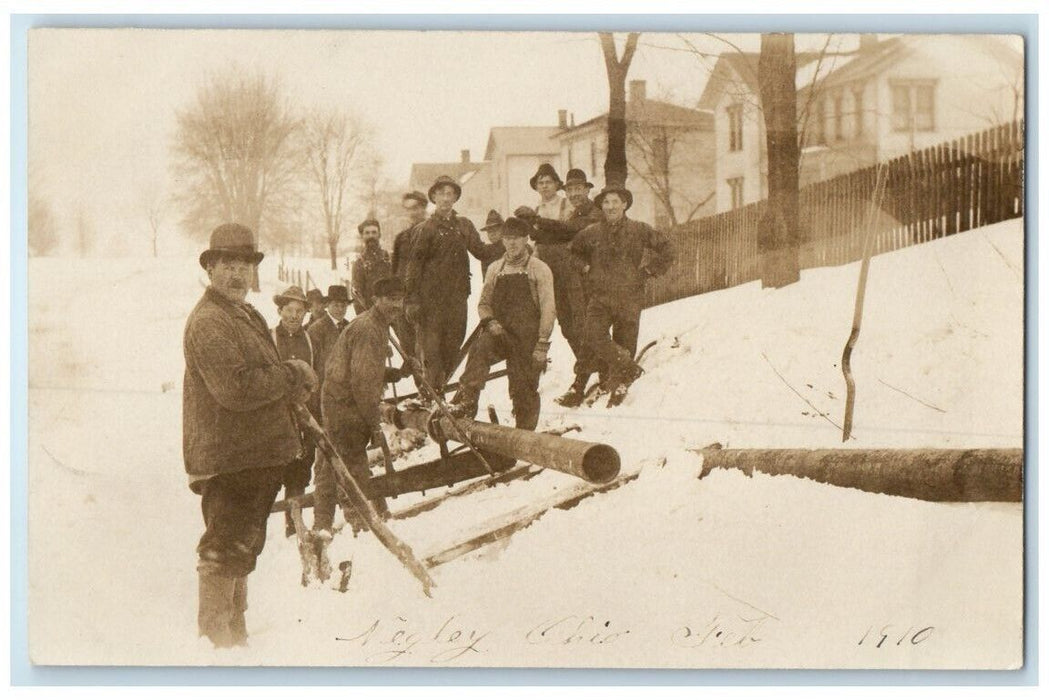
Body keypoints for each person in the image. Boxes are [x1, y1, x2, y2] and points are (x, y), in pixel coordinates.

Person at [183, 223, 317, 648]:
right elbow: (236, 389)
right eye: (229, 265)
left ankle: (233, 636)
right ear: (211, 268)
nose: (239, 274)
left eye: (245, 265)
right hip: (230, 455)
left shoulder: (244, 313)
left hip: (254, 453)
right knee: (224, 548)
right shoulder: (209, 321)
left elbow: (263, 376)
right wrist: (293, 372)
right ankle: (215, 643)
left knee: (242, 546)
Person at [316, 277, 409, 535]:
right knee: (352, 465)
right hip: (345, 407)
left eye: (400, 299)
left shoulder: (376, 325)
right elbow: (363, 385)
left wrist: (396, 374)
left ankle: (322, 526)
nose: (396, 305)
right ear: (375, 301)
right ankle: (361, 526)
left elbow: (365, 370)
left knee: (330, 465)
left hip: (338, 400)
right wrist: (374, 426)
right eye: (390, 299)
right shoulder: (369, 329)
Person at [570, 183, 675, 405]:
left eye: (615, 202)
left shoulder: (639, 230)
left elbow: (668, 249)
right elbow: (574, 254)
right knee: (592, 335)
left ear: (625, 204)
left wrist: (648, 270)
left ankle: (620, 384)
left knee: (625, 339)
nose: (610, 207)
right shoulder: (591, 233)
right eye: (606, 202)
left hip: (629, 295)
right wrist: (585, 267)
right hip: (600, 296)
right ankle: (624, 369)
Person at [451, 217, 555, 430]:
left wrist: (542, 345)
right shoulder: (495, 269)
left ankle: (524, 434)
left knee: (524, 388)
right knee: (480, 348)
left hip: (528, 336)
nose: (512, 243)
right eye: (507, 239)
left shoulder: (539, 268)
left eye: (516, 238)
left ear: (526, 239)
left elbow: (548, 309)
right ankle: (467, 402)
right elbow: (483, 304)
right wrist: (490, 322)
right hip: (501, 333)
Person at [404, 175, 502, 390]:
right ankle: (429, 396)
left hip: (457, 300)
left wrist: (508, 243)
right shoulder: (426, 229)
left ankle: (439, 393)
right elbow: (414, 267)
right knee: (431, 353)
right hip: (431, 303)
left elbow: (481, 251)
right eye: (442, 194)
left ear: (456, 197)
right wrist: (411, 300)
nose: (446, 198)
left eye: (450, 194)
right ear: (434, 197)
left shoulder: (463, 225)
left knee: (452, 348)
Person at [516, 165, 596, 405]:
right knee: (566, 325)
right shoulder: (537, 209)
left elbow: (567, 232)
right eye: (540, 183)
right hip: (549, 271)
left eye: (549, 182)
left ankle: (586, 374)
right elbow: (537, 244)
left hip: (570, 267)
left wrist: (538, 226)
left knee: (580, 319)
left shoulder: (567, 206)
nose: (545, 186)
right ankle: (587, 365)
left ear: (556, 185)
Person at [270, 285, 317, 537]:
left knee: (300, 471)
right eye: (289, 310)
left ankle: (293, 525)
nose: (294, 316)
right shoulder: (269, 337)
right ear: (280, 311)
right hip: (277, 416)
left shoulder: (308, 339)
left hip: (303, 416)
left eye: (299, 311)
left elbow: (313, 375)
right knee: (274, 470)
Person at [390, 191, 429, 378]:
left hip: (427, 304)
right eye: (408, 209)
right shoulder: (402, 238)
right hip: (404, 305)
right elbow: (395, 271)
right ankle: (422, 394)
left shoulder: (433, 233)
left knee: (428, 356)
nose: (412, 213)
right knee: (410, 354)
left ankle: (434, 396)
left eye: (415, 208)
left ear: (424, 207)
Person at [351, 218, 392, 315]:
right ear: (362, 236)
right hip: (372, 315)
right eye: (367, 233)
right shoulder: (359, 263)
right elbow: (357, 296)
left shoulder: (390, 259)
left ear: (379, 234)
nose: (371, 236)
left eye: (374, 232)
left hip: (394, 313)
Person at [479, 209, 506, 278]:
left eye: (495, 230)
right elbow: (486, 279)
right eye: (489, 231)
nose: (492, 234)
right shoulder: (486, 250)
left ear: (503, 230)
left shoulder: (510, 246)